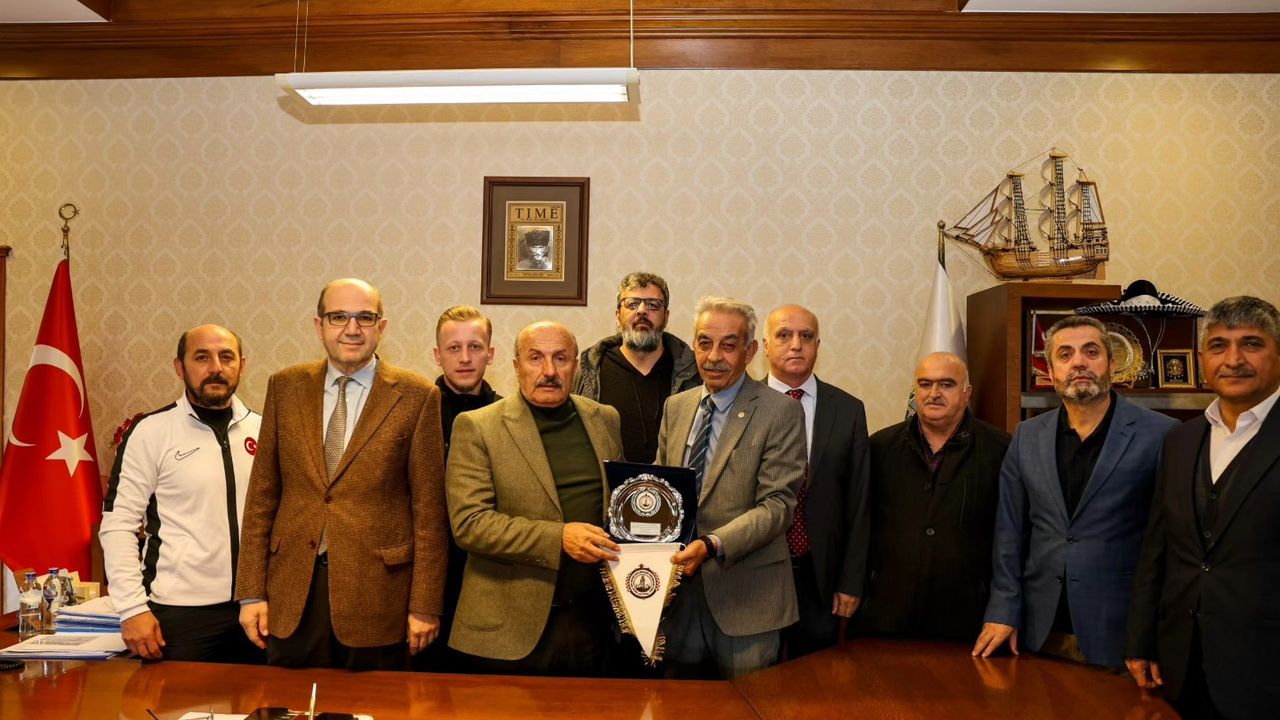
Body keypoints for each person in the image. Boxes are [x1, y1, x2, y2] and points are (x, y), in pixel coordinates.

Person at [236, 278, 448, 670]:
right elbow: (262, 496)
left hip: (379, 596)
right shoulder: (284, 387)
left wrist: (425, 604)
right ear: (319, 326)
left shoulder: (417, 395)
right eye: (338, 317)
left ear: (381, 327)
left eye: (365, 317)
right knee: (286, 700)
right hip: (292, 591)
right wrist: (251, 592)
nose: (352, 329)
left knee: (373, 701)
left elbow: (430, 512)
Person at [974, 315, 1177, 669]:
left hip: (1120, 635)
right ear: (1051, 372)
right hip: (1037, 632)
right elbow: (1009, 534)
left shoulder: (1162, 435)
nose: (1079, 362)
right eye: (1065, 355)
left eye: (1091, 352)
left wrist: (1150, 636)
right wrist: (1003, 610)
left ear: (1111, 364)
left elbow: (1168, 543)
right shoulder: (1026, 436)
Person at [1127, 296, 1280, 719]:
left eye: (1252, 343)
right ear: (1200, 360)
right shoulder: (1181, 439)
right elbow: (1157, 549)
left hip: (1267, 672)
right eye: (1218, 346)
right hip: (1182, 664)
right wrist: (1141, 640)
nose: (1233, 360)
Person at [446, 321, 624, 676]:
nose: (549, 371)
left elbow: (620, 505)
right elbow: (470, 524)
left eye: (560, 358)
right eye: (535, 358)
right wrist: (559, 538)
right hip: (508, 631)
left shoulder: (604, 419)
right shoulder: (477, 426)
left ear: (576, 364)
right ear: (516, 365)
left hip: (592, 623)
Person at [655, 297, 806, 678]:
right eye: (705, 343)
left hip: (748, 600)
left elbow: (777, 506)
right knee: (677, 702)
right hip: (679, 599)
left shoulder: (781, 411)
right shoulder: (676, 407)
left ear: (750, 352)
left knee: (749, 704)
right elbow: (661, 489)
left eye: (728, 345)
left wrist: (712, 544)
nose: (714, 357)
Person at [100, 324, 263, 663]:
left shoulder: (264, 430)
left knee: (266, 699)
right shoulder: (151, 432)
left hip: (257, 610)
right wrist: (132, 608)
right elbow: (118, 524)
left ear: (242, 366)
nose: (215, 368)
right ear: (180, 367)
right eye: (202, 357)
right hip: (180, 615)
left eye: (226, 357)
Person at [859, 352, 1009, 641]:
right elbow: (860, 524)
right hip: (887, 616)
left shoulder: (1000, 450)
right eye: (925, 384)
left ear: (967, 393)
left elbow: (1011, 536)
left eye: (946, 384)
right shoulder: (879, 447)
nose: (934, 393)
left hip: (968, 620)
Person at [762, 304, 870, 658]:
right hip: (756, 570)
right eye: (784, 335)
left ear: (818, 345)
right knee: (757, 676)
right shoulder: (741, 404)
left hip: (821, 574)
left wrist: (851, 581)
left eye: (806, 336)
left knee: (815, 679)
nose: (796, 345)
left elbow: (859, 502)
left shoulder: (848, 409)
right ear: (765, 346)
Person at [417, 304, 501, 672]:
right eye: (454, 348)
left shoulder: (509, 416)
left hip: (489, 574)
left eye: (475, 347)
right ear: (438, 355)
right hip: (427, 578)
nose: (465, 358)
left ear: (490, 353)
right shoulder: (414, 413)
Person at [575, 272, 700, 463]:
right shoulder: (590, 370)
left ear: (666, 317)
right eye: (632, 304)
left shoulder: (693, 371)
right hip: (607, 481)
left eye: (653, 305)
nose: (642, 311)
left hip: (673, 480)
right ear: (618, 315)